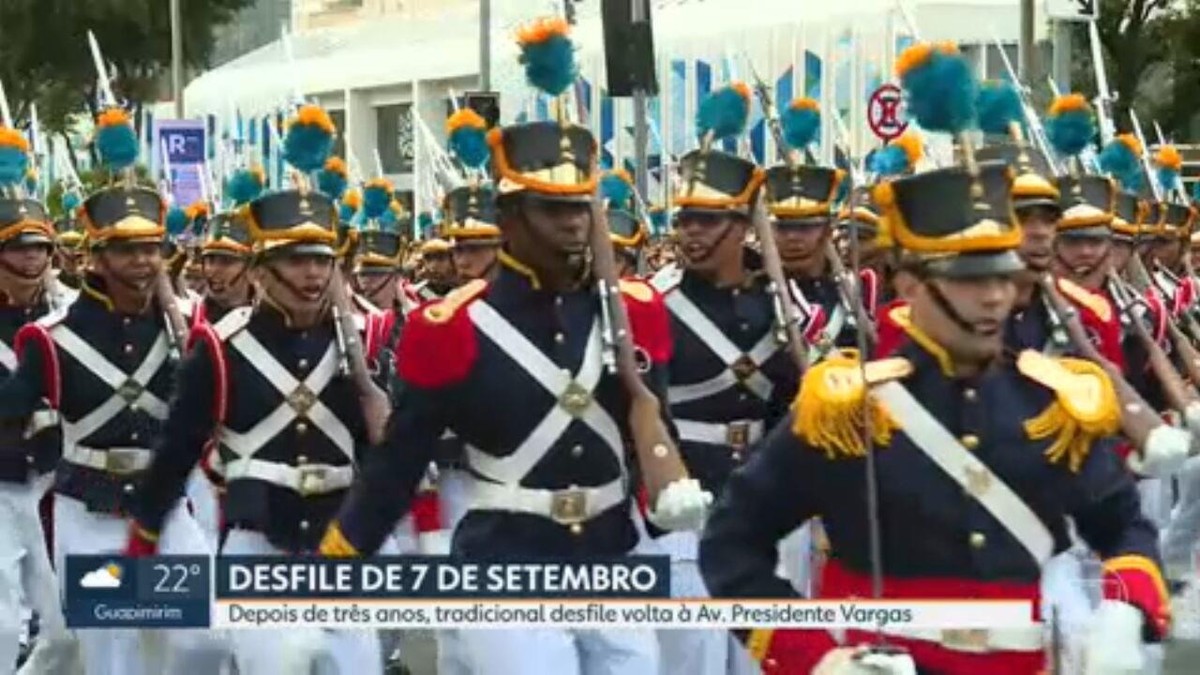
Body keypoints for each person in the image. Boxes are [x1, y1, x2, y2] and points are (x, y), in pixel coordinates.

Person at [700, 158, 1170, 675]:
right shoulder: (851, 412)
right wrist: (816, 657)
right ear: (910, 285)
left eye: (1002, 276)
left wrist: (1124, 613)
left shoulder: (1051, 406)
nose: (994, 296)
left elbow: (1125, 526)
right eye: (968, 279)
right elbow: (732, 543)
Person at [318, 108, 707, 673]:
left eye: (579, 206)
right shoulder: (448, 327)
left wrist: (665, 489)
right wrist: (343, 555)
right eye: (552, 207)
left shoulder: (635, 311)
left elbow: (651, 421)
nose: (573, 223)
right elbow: (398, 464)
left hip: (609, 554)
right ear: (510, 216)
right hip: (506, 561)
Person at [124, 103, 383, 675]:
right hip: (259, 544)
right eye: (297, 260)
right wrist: (145, 529)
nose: (314, 274)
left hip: (340, 543)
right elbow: (178, 448)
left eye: (321, 260)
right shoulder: (219, 348)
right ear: (261, 272)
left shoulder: (360, 342)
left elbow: (382, 448)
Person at [0, 106, 225, 674]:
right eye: (126, 250)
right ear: (97, 257)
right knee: (112, 656)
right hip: (89, 508)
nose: (143, 260)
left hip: (164, 504)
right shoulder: (49, 340)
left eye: (151, 247)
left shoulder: (186, 328)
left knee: (205, 642)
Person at [648, 107, 800, 675]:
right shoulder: (658, 303)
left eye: (707, 220)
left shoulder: (780, 307)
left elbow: (789, 406)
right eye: (685, 218)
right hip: (684, 504)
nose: (691, 232)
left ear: (742, 226)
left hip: (758, 500)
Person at [0, 134, 82, 672]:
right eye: (17, 247)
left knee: (71, 630)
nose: (31, 258)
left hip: (55, 485)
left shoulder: (71, 316)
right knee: (4, 624)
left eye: (39, 248)